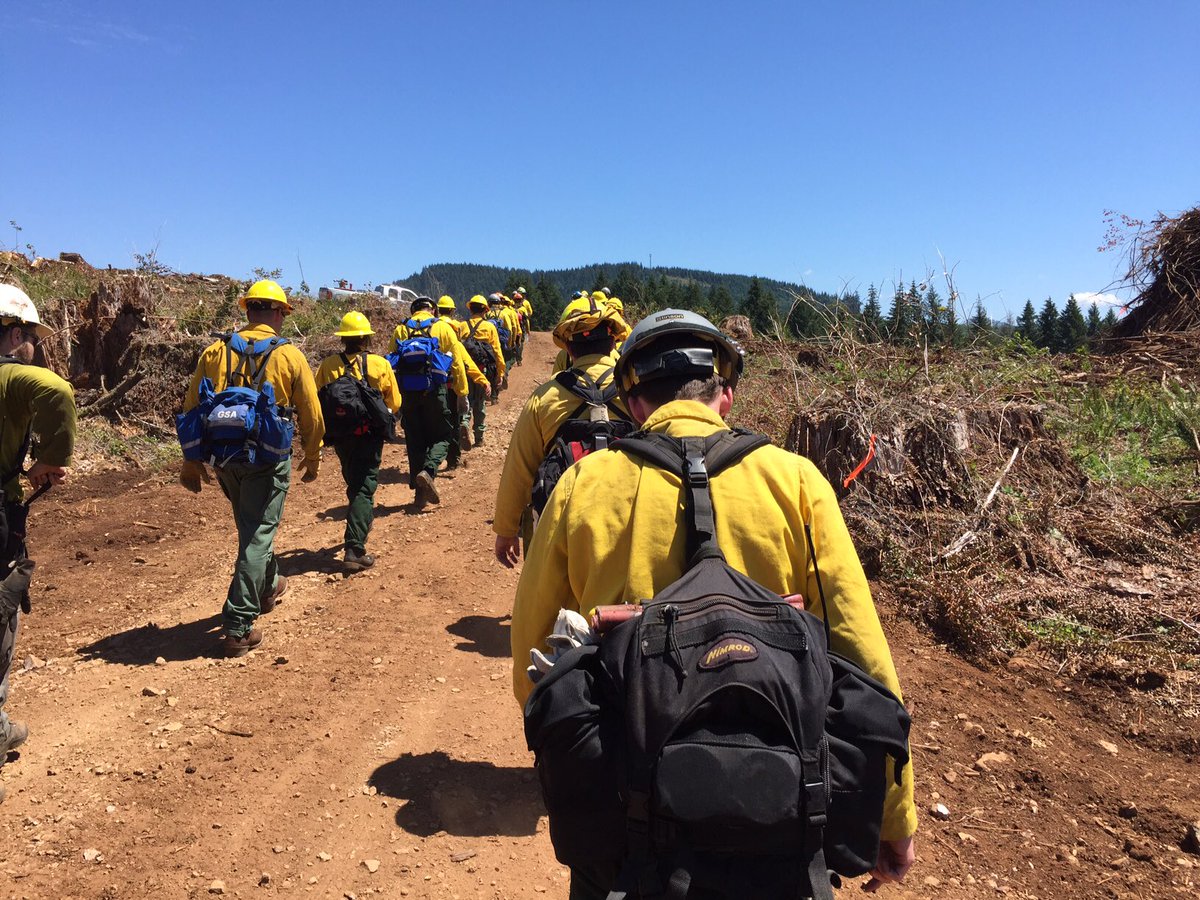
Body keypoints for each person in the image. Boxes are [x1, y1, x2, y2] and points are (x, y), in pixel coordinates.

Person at [510, 309, 917, 897]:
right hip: (781, 823)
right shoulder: (797, 481)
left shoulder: (583, 483)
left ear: (634, 403)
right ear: (725, 394)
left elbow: (531, 665)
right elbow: (868, 667)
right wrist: (895, 816)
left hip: (632, 835)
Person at [180, 279, 324, 657]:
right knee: (259, 532)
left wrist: (191, 460)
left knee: (251, 526)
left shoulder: (215, 350)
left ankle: (270, 585)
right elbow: (311, 412)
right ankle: (238, 625)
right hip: (267, 459)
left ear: (246, 310)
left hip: (225, 459)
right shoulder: (288, 355)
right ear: (278, 313)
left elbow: (191, 406)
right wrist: (313, 456)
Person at [0, 285, 75, 803]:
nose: (33, 346)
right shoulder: (10, 375)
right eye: (29, 336)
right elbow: (57, 392)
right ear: (12, 332)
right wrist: (48, 461)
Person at [493, 295, 630, 567]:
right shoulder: (637, 391)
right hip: (625, 518)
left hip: (561, 522)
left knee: (544, 595)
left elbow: (520, 469)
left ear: (567, 346)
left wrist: (506, 530)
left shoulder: (544, 398)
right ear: (614, 341)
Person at [314, 311, 401, 571]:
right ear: (366, 337)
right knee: (364, 487)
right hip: (368, 434)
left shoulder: (328, 365)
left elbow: (318, 400)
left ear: (343, 338)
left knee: (354, 480)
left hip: (340, 435)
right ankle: (354, 548)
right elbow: (395, 402)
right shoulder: (379, 364)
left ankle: (359, 520)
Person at [391, 297, 487, 505]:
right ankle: (429, 470)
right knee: (443, 436)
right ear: (432, 310)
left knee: (415, 441)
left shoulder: (401, 330)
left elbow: (391, 364)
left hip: (408, 394)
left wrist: (392, 400)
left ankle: (419, 493)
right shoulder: (442, 328)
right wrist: (462, 393)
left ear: (413, 310)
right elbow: (457, 363)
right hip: (435, 392)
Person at [462, 295, 505, 446]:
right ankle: (479, 437)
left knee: (466, 399)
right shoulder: (489, 327)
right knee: (480, 403)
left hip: (465, 370)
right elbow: (497, 352)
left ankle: (464, 423)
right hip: (482, 370)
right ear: (485, 310)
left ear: (470, 309)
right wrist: (500, 373)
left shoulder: (462, 326)